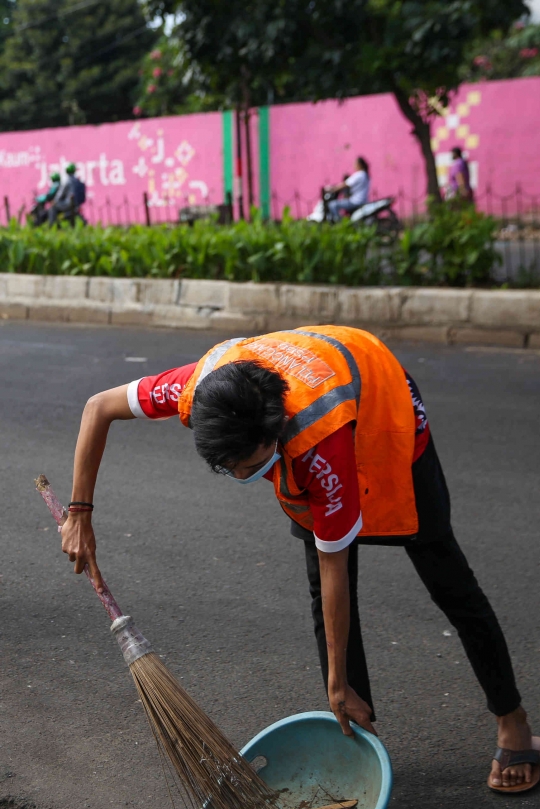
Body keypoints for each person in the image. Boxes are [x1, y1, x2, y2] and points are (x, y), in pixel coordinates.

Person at [60, 326, 539, 794]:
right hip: (313, 395)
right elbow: (97, 407)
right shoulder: (201, 386)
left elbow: (337, 566)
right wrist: (80, 513)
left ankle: (512, 721)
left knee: (447, 578)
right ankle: (362, 741)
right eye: (232, 469)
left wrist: (334, 681)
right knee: (324, 587)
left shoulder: (317, 446)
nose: (244, 476)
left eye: (251, 466)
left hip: (382, 405)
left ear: (277, 431)